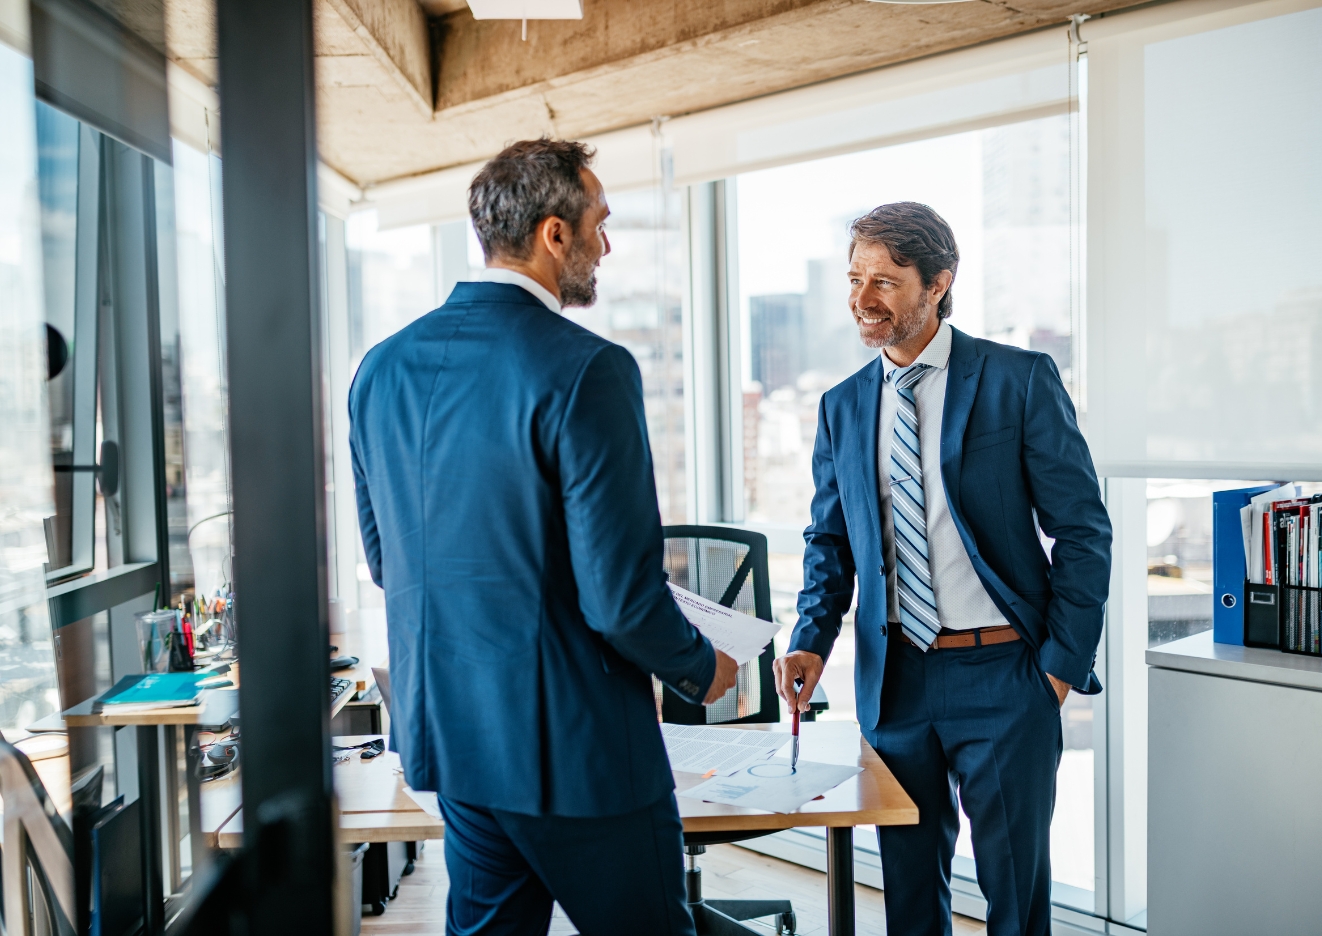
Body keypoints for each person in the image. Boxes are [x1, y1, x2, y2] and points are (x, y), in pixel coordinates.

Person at [349, 138, 737, 935]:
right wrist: (705, 667)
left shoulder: (380, 369)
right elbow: (622, 601)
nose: (606, 244)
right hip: (576, 753)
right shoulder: (587, 368)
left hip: (456, 742)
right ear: (553, 234)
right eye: (599, 222)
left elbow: (390, 564)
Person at [773, 203, 1111, 936]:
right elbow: (829, 542)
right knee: (908, 899)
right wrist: (809, 639)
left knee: (1015, 899)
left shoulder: (1017, 380)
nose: (863, 299)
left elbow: (1083, 531)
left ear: (938, 283)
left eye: (886, 282)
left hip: (1005, 677)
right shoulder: (841, 406)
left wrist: (1056, 668)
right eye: (855, 279)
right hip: (896, 684)